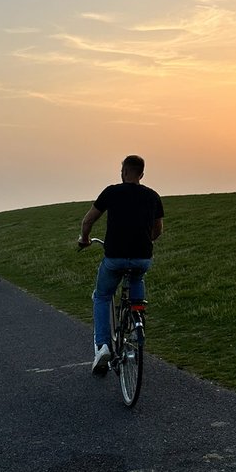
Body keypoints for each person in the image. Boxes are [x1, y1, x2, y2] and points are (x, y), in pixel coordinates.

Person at [78, 155, 164, 375]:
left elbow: (88, 220)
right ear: (142, 174)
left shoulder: (111, 192)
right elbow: (158, 229)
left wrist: (85, 239)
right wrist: (145, 241)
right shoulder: (152, 196)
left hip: (114, 257)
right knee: (137, 278)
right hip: (142, 258)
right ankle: (137, 315)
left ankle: (103, 346)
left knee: (102, 296)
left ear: (124, 172)